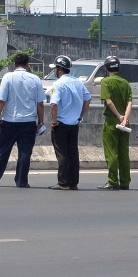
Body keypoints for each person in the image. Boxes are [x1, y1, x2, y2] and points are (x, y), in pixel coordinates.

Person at [0, 53, 45, 188]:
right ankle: (21, 181)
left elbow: (1, 100)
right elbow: (40, 103)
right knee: (25, 152)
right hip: (29, 121)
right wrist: (41, 121)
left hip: (10, 120)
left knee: (2, 150)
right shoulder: (35, 79)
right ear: (28, 65)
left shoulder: (8, 77)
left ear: (14, 64)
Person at [48, 55, 92, 190]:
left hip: (61, 124)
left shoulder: (57, 84)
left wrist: (54, 121)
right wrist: (80, 116)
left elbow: (54, 104)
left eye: (55, 68)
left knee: (62, 153)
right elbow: (88, 99)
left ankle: (63, 182)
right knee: (73, 153)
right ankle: (73, 182)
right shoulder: (78, 83)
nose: (55, 71)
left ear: (59, 70)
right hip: (74, 123)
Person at [98, 55, 133, 191]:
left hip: (112, 121)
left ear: (107, 69)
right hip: (125, 123)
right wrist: (125, 118)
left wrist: (118, 116)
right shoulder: (125, 83)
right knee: (124, 152)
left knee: (112, 152)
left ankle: (113, 180)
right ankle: (125, 181)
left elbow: (108, 101)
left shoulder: (106, 82)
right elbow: (130, 102)